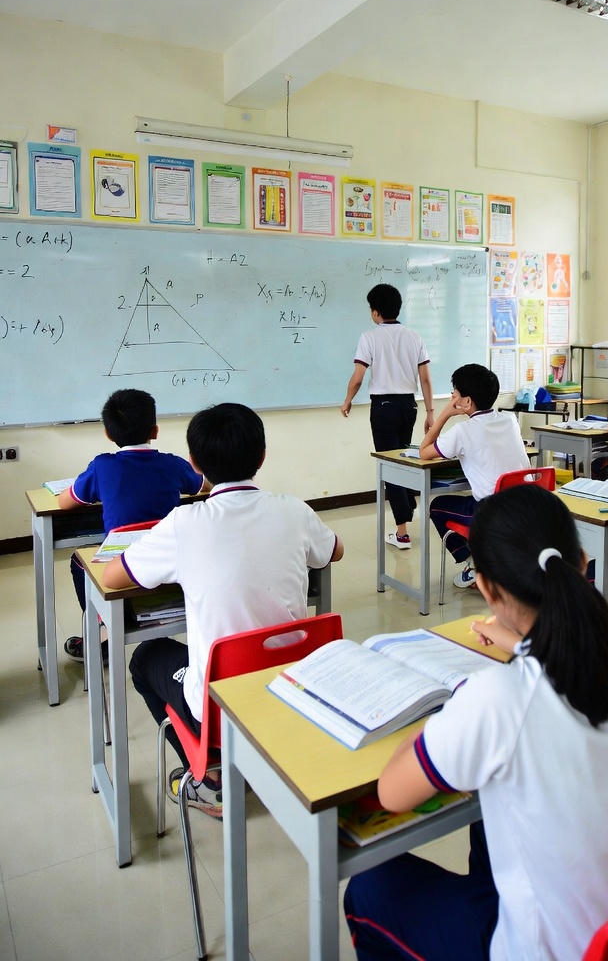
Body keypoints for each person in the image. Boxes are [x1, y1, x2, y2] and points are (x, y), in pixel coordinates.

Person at [343, 484, 608, 961]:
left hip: (550, 951)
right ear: (582, 563)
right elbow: (566, 662)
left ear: (485, 588)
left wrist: (451, 705)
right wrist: (520, 641)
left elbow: (393, 794)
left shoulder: (496, 700)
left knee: (369, 889)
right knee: (489, 821)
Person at [103, 402, 343, 818]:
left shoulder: (184, 523)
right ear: (262, 457)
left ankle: (211, 780)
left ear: (194, 464)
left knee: (145, 657)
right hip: (292, 693)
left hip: (219, 710)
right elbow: (334, 551)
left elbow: (111, 578)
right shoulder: (294, 510)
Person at [58, 388, 204, 661]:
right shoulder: (172, 464)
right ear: (155, 431)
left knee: (79, 561)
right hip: (170, 558)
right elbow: (202, 485)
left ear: (108, 433)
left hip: (122, 564)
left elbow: (65, 503)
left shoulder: (102, 466)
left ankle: (102, 629)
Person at [341, 283, 434, 549]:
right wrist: (430, 412)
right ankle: (407, 505)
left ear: (375, 312)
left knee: (391, 466)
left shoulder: (369, 337)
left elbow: (358, 378)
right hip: (409, 407)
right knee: (402, 460)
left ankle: (402, 533)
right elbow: (425, 379)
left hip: (383, 408)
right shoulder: (414, 337)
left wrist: (347, 400)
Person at [421, 363, 529, 589]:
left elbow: (424, 451)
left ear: (467, 401)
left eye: (454, 395)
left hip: (494, 513)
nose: (452, 398)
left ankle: (473, 567)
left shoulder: (462, 431)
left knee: (437, 506)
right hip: (527, 506)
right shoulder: (510, 420)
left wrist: (445, 413)